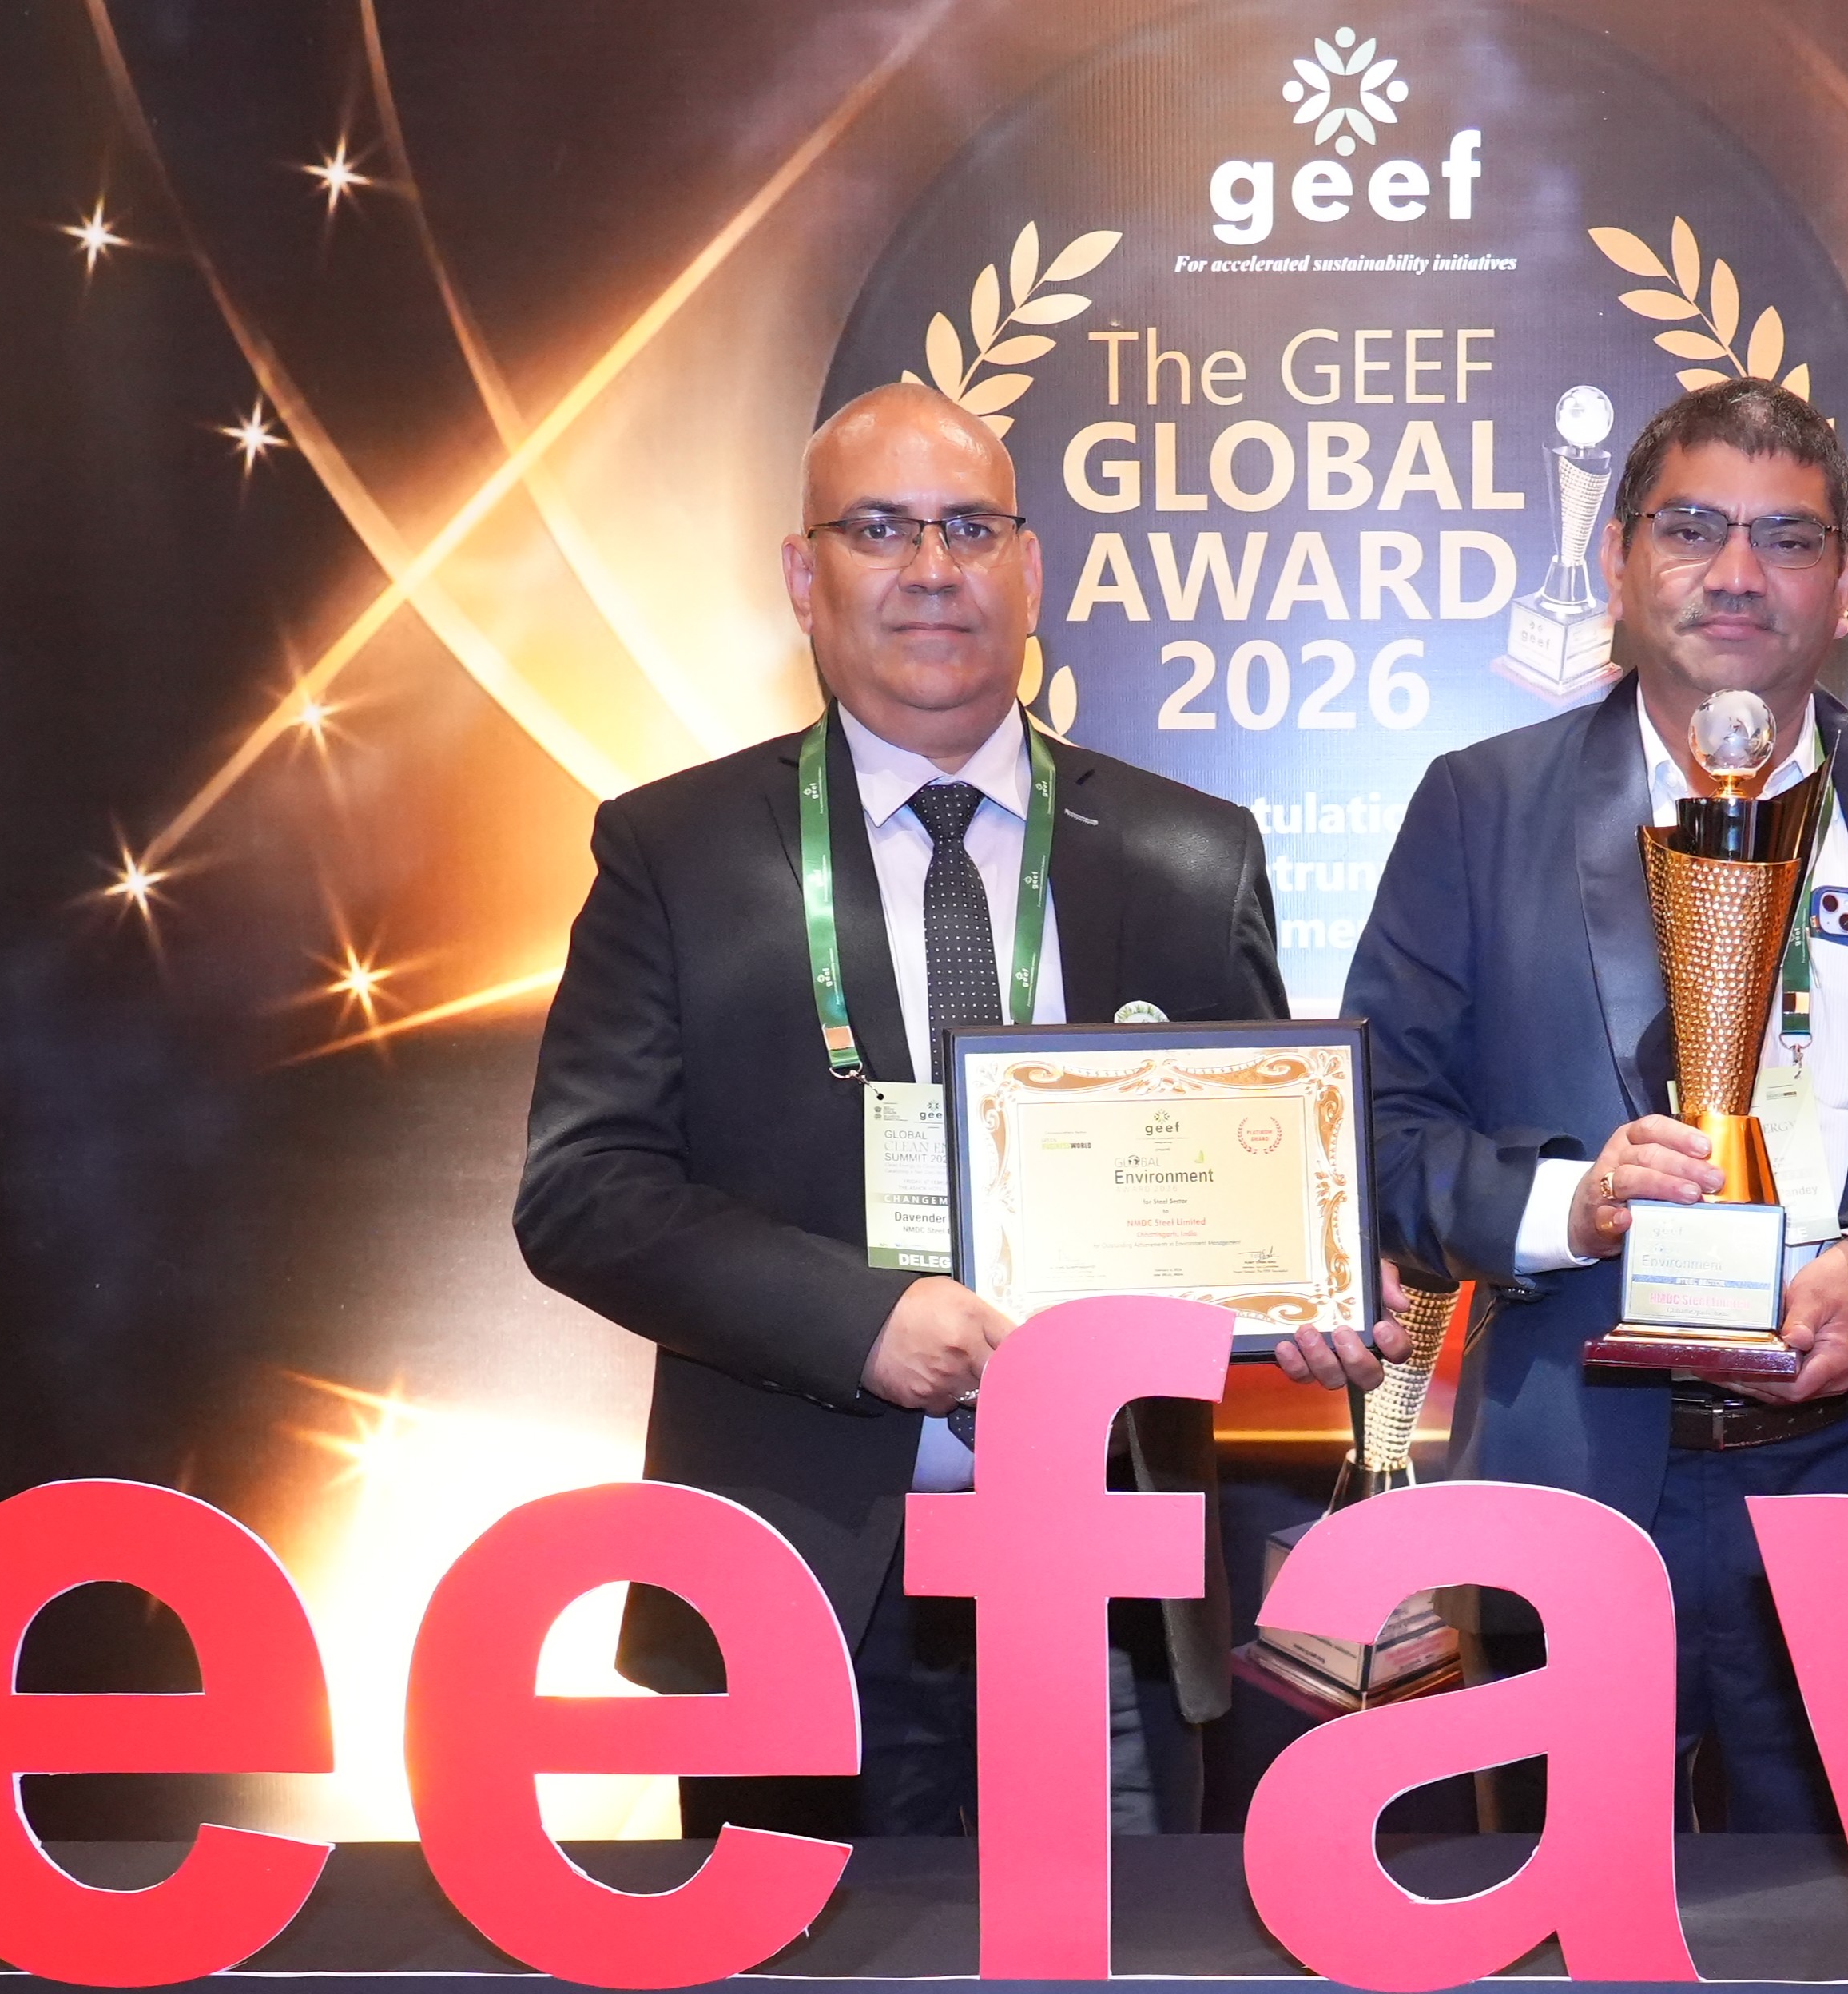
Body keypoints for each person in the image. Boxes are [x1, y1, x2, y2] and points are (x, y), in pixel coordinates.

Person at [515, 383, 1400, 1837]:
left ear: (1030, 572)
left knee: (1120, 1944)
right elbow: (585, 1193)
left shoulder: (1192, 854)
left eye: (970, 529)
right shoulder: (675, 851)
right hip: (799, 1581)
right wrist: (861, 1321)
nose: (931, 568)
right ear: (802, 574)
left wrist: (1302, 1292)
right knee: (808, 1955)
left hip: (1111, 1588)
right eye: (879, 529)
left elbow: (1253, 1175)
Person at [1342, 377, 1848, 1829]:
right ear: (1617, 561)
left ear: (1846, 579)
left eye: (1785, 538)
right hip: (1577, 1477)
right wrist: (1573, 1206)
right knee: (1565, 1921)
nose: (1734, 572)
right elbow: (1377, 1130)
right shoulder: (1480, 807)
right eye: (1691, 529)